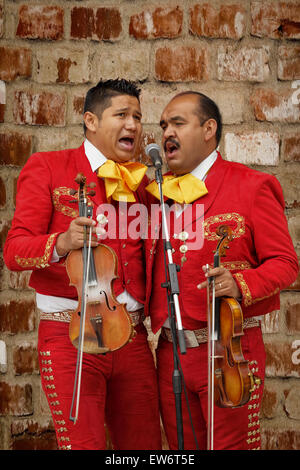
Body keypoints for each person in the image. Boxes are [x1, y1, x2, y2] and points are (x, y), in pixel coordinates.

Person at [4, 79, 162, 450]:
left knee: (144, 449)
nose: (133, 125)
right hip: (69, 337)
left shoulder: (142, 181)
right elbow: (13, 251)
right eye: (121, 114)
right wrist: (61, 243)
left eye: (137, 116)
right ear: (90, 120)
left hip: (133, 337)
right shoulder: (47, 167)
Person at [145, 91, 299, 450]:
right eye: (164, 125)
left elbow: (286, 264)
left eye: (178, 123)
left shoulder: (252, 185)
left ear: (209, 129)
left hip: (229, 350)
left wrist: (239, 282)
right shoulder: (155, 192)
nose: (167, 132)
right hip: (170, 354)